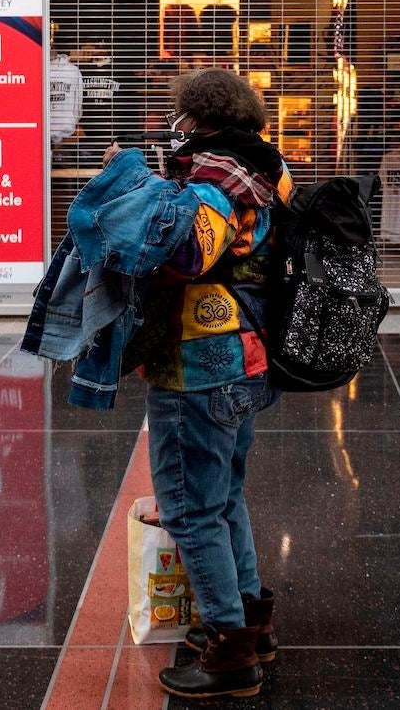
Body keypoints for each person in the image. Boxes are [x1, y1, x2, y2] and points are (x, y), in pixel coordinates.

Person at [102, 67, 293, 700]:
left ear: (198, 118)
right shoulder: (268, 170)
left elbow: (185, 254)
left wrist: (130, 187)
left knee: (189, 507)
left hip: (198, 361)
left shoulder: (213, 176)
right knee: (225, 496)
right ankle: (250, 622)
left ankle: (228, 650)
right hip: (248, 354)